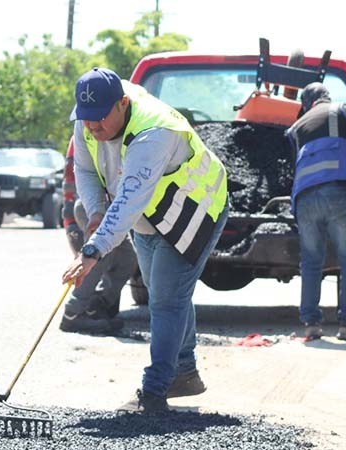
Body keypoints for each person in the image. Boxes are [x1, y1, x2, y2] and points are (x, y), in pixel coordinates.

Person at [61, 67, 229, 413]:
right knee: (165, 292)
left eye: (99, 118)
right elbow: (86, 169)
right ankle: (185, 371)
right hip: (149, 214)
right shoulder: (88, 119)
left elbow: (128, 200)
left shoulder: (154, 133)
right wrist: (95, 212)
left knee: (166, 300)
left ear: (122, 103)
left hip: (194, 207)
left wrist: (92, 250)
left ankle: (154, 391)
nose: (92, 126)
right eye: (85, 118)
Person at [285, 82, 346, 341]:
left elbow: (293, 168)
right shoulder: (345, 111)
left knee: (311, 261)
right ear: (326, 97)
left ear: (307, 105)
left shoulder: (296, 127)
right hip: (341, 192)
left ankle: (311, 324)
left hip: (305, 199)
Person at [59, 136, 137, 334]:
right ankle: (73, 313)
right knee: (96, 259)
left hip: (115, 209)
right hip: (96, 207)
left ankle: (97, 306)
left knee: (128, 259)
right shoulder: (96, 137)